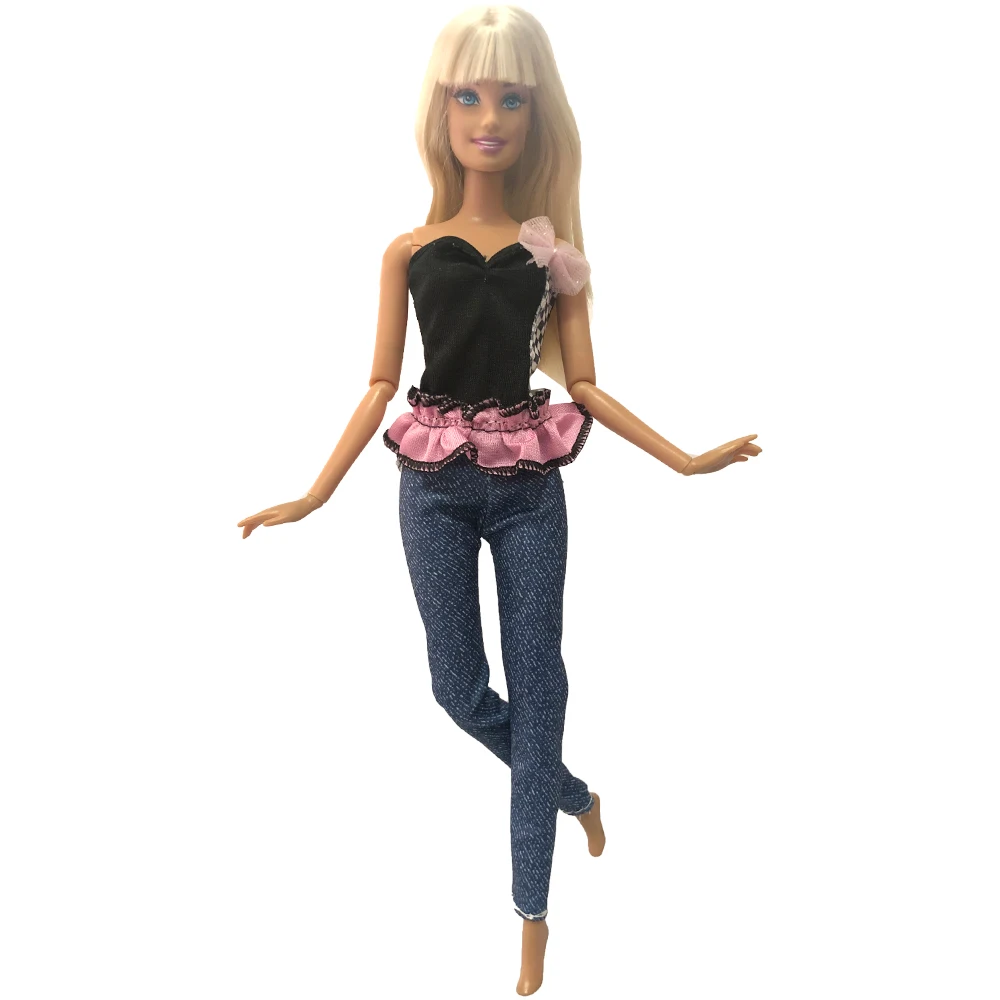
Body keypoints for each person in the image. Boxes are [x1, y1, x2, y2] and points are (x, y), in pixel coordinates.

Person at [237, 5, 761, 994]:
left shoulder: (548, 254)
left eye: (511, 99)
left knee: (541, 685)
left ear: (537, 113)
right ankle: (572, 791)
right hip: (432, 483)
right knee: (457, 688)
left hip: (528, 486)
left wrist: (685, 460)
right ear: (440, 111)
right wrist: (311, 494)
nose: (488, 118)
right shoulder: (407, 250)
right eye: (468, 97)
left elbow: (587, 383)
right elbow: (376, 385)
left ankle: (532, 916)